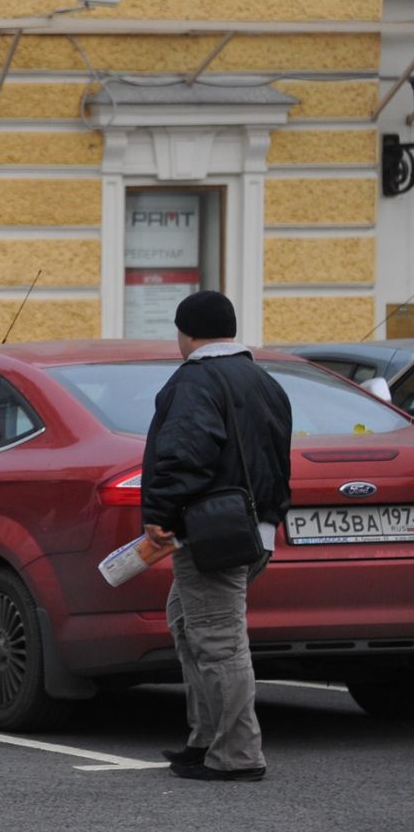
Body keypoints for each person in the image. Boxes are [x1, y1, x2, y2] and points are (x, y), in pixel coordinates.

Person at [141, 291, 292, 783]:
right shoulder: (263, 379)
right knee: (188, 623)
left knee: (219, 642)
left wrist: (160, 512)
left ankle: (237, 754)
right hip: (254, 529)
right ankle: (205, 739)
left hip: (212, 532)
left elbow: (187, 452)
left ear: (186, 333)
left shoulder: (195, 380)